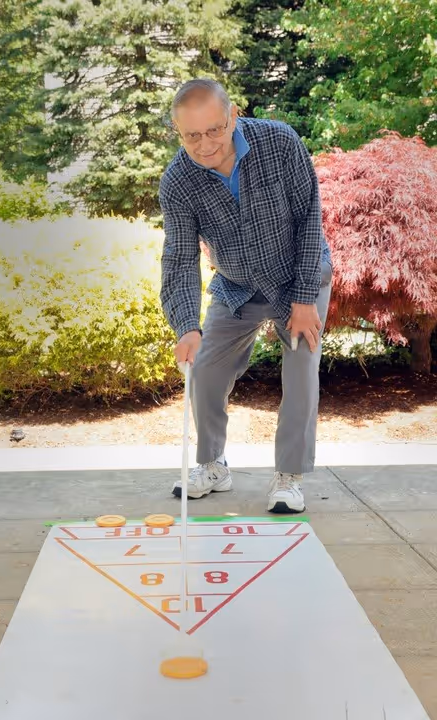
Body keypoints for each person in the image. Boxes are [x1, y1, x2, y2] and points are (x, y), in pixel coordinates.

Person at [159, 78, 332, 514]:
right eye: (192, 135)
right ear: (179, 133)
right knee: (206, 371)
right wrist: (186, 326)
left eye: (214, 130)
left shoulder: (278, 142)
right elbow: (179, 258)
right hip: (236, 284)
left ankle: (289, 476)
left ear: (233, 114)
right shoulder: (178, 181)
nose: (206, 145)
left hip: (299, 278)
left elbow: (310, 220)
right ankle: (213, 465)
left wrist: (305, 298)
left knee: (300, 369)